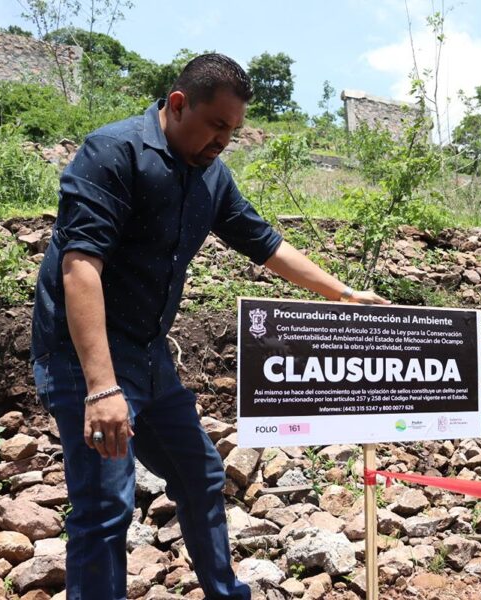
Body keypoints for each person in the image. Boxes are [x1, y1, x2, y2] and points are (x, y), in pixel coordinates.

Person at [31, 53, 387, 600]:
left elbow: (265, 242)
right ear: (178, 105)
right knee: (106, 507)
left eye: (234, 130)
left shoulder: (212, 176)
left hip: (150, 356)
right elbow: (81, 267)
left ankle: (225, 591)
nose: (224, 140)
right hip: (87, 356)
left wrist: (342, 293)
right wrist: (102, 388)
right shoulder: (113, 153)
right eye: (216, 125)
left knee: (199, 475)